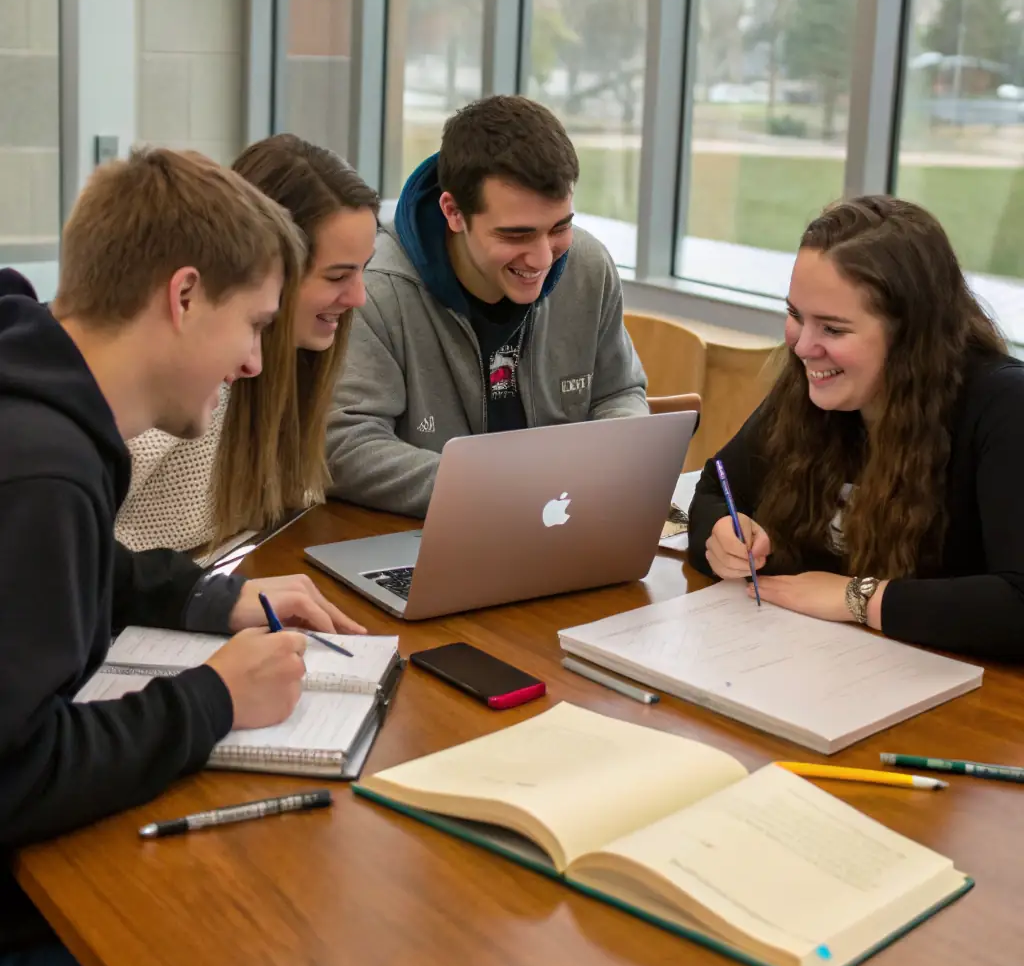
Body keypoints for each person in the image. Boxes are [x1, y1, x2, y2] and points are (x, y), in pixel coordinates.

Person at [0, 150, 363, 966]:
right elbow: (17, 774)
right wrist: (214, 698)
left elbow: (85, 568)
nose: (254, 362)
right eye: (254, 325)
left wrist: (210, 597)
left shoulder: (37, 400)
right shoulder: (44, 472)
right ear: (186, 295)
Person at [687, 194, 1024, 661]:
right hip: (813, 663)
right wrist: (724, 534)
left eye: (833, 329)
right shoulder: (812, 389)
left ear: (911, 336)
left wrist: (858, 598)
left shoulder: (1004, 406)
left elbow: (1017, 603)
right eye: (796, 315)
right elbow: (715, 488)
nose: (803, 347)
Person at [326, 95, 648, 516]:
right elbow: (345, 445)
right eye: (516, 235)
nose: (543, 258)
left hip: (563, 520)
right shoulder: (374, 290)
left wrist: (604, 465)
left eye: (559, 227)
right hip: (419, 534)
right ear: (453, 212)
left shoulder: (588, 265)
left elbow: (620, 392)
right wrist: (498, 490)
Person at [116, 134, 380, 556]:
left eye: (364, 269)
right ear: (265, 271)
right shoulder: (169, 389)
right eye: (337, 276)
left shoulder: (302, 362)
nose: (358, 298)